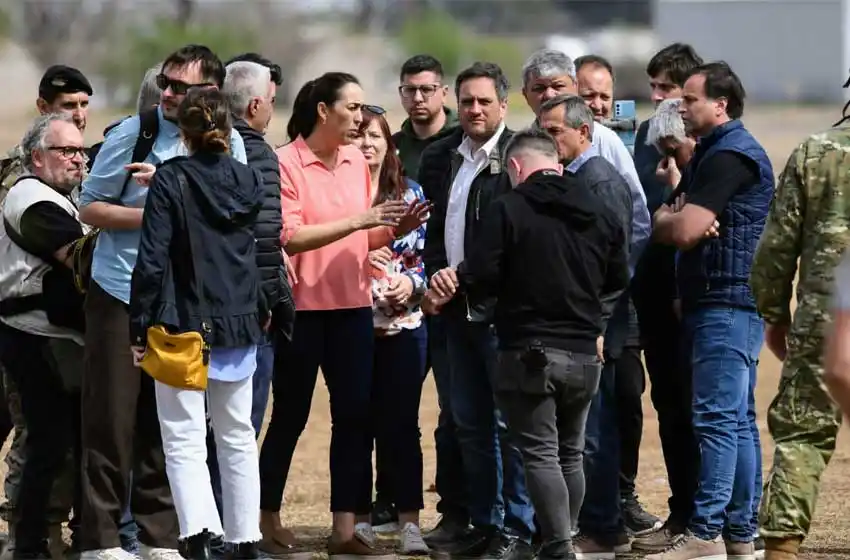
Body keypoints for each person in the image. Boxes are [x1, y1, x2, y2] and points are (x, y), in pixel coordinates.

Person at [426, 127, 628, 560]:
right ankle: (565, 537)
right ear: (556, 162)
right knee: (570, 453)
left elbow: (481, 274)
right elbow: (618, 277)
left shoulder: (508, 209)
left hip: (529, 351)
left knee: (538, 453)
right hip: (583, 353)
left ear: (515, 167)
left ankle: (557, 547)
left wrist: (454, 282)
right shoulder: (598, 209)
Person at [78, 44, 247, 560]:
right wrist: (159, 209)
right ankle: (101, 540)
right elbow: (91, 207)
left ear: (211, 93)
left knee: (170, 424)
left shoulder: (229, 142)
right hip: (121, 290)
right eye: (166, 83)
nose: (168, 94)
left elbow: (235, 211)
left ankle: (159, 538)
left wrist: (180, 200)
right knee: (111, 419)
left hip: (186, 302)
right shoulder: (135, 133)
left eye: (181, 87)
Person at [257, 72, 428, 558]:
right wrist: (362, 221)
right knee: (288, 417)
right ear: (323, 112)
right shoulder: (286, 162)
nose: (360, 117)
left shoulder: (355, 159)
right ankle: (267, 519)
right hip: (302, 312)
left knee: (353, 419)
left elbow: (362, 238)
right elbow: (290, 236)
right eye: (352, 108)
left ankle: (344, 530)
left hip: (352, 310)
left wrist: (393, 230)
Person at [129, 87, 266, 560]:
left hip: (181, 323)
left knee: (183, 436)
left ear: (182, 133)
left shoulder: (171, 180)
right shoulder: (250, 180)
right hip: (241, 321)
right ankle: (245, 538)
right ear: (227, 129)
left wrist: (137, 327)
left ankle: (199, 535)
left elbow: (151, 263)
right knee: (237, 434)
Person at [648, 61, 774, 560]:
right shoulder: (710, 155)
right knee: (736, 420)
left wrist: (677, 220)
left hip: (727, 300)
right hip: (717, 300)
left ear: (721, 104)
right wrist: (673, 217)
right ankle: (741, 534)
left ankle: (706, 534)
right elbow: (671, 218)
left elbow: (679, 230)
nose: (682, 107)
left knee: (718, 420)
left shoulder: (731, 157)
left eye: (691, 99)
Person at [418, 61, 535, 560]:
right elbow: (433, 231)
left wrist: (465, 280)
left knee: (511, 427)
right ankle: (484, 523)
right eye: (466, 101)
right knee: (469, 423)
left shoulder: (521, 157)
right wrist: (435, 282)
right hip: (451, 313)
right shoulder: (444, 156)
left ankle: (519, 529)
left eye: (485, 101)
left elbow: (520, 242)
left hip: (501, 316)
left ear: (504, 106)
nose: (474, 109)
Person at [750, 97, 850, 560]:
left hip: (823, 320)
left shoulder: (815, 152)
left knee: (803, 435)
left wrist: (774, 313)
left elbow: (776, 245)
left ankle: (783, 548)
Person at [0, 65, 94, 558]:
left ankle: (58, 537)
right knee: (41, 446)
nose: (78, 159)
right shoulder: (28, 195)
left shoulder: (66, 194)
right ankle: (29, 542)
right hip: (31, 336)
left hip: (62, 339)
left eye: (81, 150)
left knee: (64, 444)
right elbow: (79, 255)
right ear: (37, 157)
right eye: (66, 151)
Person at [629, 44, 705, 554]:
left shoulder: (712, 143)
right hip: (652, 291)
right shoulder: (641, 135)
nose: (657, 98)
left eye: (667, 89)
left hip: (698, 297)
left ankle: (712, 517)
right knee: (668, 404)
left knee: (706, 409)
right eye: (653, 87)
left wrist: (684, 157)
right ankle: (681, 513)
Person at [351, 106, 430, 554]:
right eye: (359, 135)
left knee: (402, 426)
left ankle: (409, 522)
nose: (367, 143)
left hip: (405, 325)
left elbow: (424, 260)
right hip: (353, 325)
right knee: (357, 424)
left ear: (389, 144)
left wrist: (411, 284)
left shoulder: (411, 192)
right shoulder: (341, 197)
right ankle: (358, 519)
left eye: (376, 136)